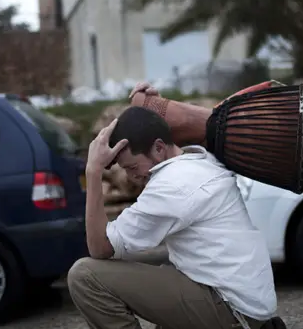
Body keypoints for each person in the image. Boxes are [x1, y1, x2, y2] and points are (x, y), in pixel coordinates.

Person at [67, 83, 285, 329]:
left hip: (230, 309)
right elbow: (183, 131)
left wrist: (93, 171)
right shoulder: (201, 159)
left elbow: (100, 248)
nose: (130, 177)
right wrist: (155, 107)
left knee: (85, 276)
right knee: (168, 276)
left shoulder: (171, 187)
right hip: (247, 304)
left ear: (159, 147)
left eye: (132, 167)